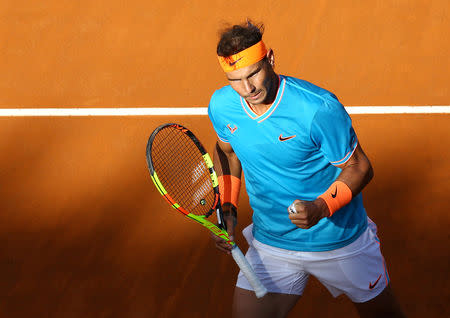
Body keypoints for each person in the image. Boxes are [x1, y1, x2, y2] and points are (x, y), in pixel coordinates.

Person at [207, 20, 405, 318]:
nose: (246, 88)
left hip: (339, 242)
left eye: (253, 74)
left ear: (270, 59)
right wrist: (228, 210)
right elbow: (226, 152)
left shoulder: (317, 108)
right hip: (271, 244)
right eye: (235, 80)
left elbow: (359, 166)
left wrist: (322, 207)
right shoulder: (222, 106)